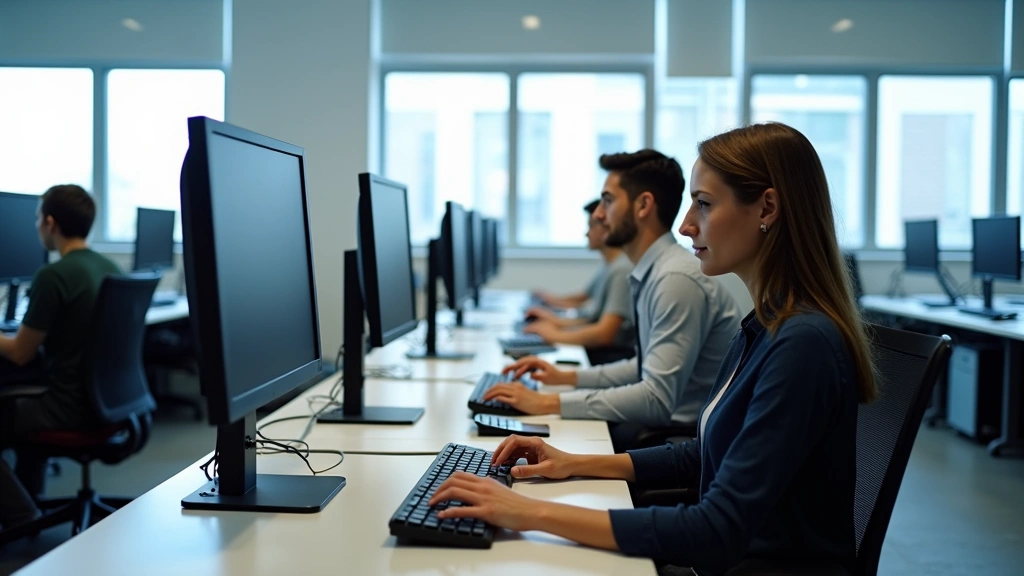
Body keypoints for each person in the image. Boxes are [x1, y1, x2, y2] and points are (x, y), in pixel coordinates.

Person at [429, 123, 877, 575]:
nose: (685, 224)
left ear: (767, 207)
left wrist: (526, 512)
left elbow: (715, 531)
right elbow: (701, 453)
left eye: (704, 204)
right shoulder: (765, 324)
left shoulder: (802, 344)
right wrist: (571, 463)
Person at [483, 149, 741, 432]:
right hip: (662, 429)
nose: (598, 214)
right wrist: (566, 377)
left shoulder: (674, 279)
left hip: (677, 442)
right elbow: (643, 367)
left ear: (643, 205)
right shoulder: (655, 270)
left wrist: (548, 403)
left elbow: (656, 398)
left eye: (607, 200)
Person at [0, 184, 122, 530]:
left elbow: (21, 353)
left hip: (68, 407)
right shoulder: (111, 267)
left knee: (13, 404)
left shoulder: (54, 275)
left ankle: (22, 514)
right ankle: (29, 501)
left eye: (38, 217)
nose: (37, 225)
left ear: (50, 223)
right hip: (110, 403)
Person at [522, 200, 636, 353]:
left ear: (607, 228)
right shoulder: (610, 265)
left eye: (591, 226)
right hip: (601, 351)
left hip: (611, 354)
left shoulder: (621, 269)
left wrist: (554, 334)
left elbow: (604, 334)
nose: (586, 233)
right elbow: (586, 306)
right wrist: (555, 321)